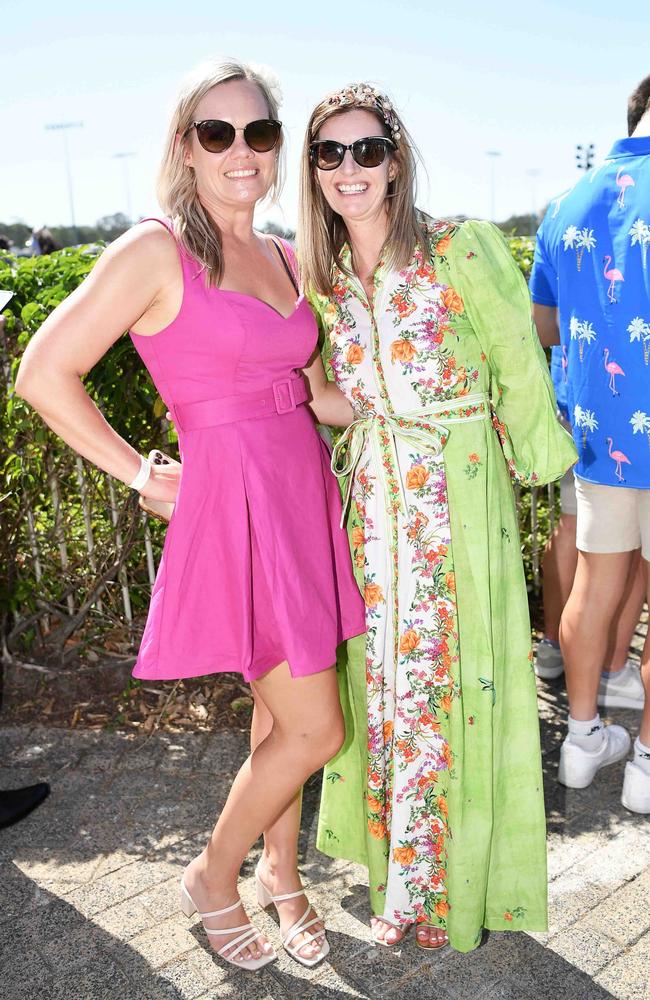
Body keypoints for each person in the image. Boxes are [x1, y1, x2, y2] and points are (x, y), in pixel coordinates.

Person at [15, 58, 366, 971]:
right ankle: (212, 875)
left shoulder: (288, 254)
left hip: (301, 499)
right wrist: (138, 473)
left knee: (280, 715)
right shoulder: (157, 249)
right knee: (314, 728)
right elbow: (43, 373)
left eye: (259, 133)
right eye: (219, 133)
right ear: (187, 146)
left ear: (277, 147)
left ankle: (281, 877)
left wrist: (430, 403)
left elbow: (321, 393)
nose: (241, 151)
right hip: (236, 506)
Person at [298, 83, 576, 953]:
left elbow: (518, 366)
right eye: (330, 153)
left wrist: (541, 469)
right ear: (312, 170)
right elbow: (342, 401)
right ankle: (406, 884)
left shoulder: (461, 248)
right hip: (376, 509)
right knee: (389, 687)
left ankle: (454, 889)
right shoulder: (323, 276)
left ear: (396, 159)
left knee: (460, 688)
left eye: (367, 150)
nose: (350, 169)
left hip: (460, 499)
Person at [530, 73, 650, 813]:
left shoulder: (564, 203)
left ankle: (581, 740)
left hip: (601, 440)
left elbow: (543, 325)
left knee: (595, 584)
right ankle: (646, 769)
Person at [535, 347, 645, 711]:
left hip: (578, 399)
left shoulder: (574, 283)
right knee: (622, 556)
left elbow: (543, 322)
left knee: (572, 528)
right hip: (632, 408)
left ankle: (552, 649)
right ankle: (610, 670)